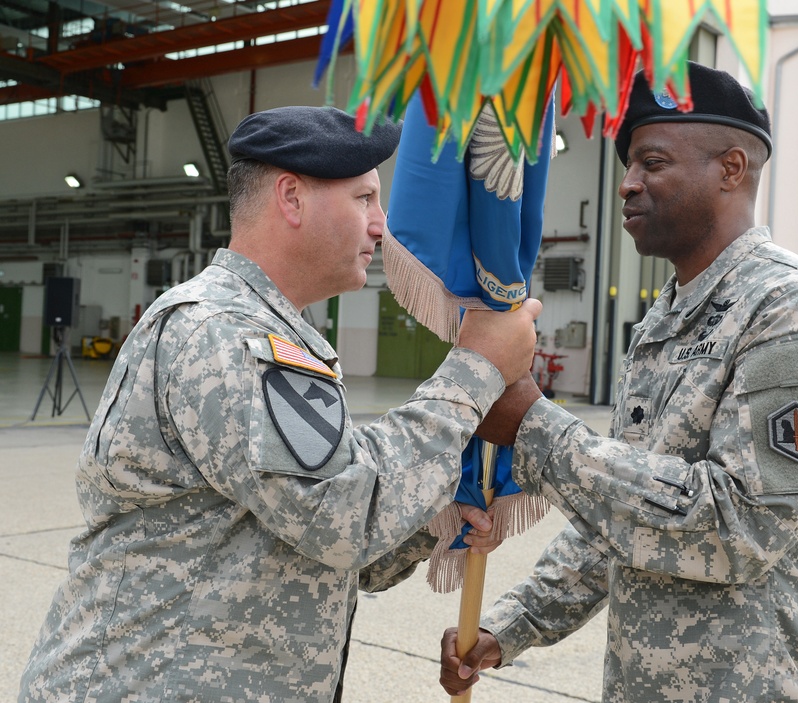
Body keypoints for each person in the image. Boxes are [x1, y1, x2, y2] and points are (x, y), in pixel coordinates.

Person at [19, 105, 542, 703]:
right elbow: (344, 518)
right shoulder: (222, 333)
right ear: (291, 198)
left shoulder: (274, 333)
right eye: (364, 199)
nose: (381, 225)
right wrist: (475, 371)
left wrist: (439, 517)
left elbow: (324, 545)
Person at [439, 62, 798, 703]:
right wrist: (512, 624)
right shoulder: (667, 317)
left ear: (731, 169)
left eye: (651, 163)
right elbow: (629, 514)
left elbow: (741, 528)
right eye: (627, 165)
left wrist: (535, 428)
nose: (627, 184)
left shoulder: (793, 313)